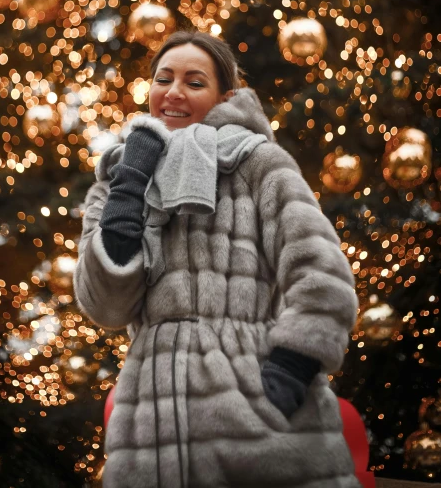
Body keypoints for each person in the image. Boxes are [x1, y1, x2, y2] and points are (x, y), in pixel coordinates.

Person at [74, 30, 360, 488]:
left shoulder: (259, 163)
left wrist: (287, 373)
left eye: (193, 81)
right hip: (152, 424)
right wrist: (130, 185)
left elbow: (321, 273)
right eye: (163, 78)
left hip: (261, 421)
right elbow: (106, 307)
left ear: (225, 96)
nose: (173, 92)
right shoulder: (117, 180)